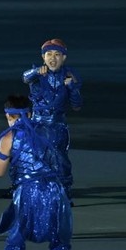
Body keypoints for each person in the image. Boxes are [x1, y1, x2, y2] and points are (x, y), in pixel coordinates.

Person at [0, 95, 73, 250]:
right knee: (61, 239)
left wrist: (1, 159)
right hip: (54, 190)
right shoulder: (49, 132)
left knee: (16, 238)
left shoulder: (8, 138)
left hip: (26, 191)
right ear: (30, 113)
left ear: (9, 116)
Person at [22, 38, 81, 201]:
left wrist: (71, 88)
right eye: (48, 54)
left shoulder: (69, 75)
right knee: (35, 157)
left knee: (60, 158)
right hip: (38, 124)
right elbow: (25, 77)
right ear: (43, 57)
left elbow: (77, 106)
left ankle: (65, 191)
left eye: (57, 54)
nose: (52, 58)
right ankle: (35, 189)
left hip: (57, 125)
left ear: (63, 57)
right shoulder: (37, 73)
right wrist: (35, 72)